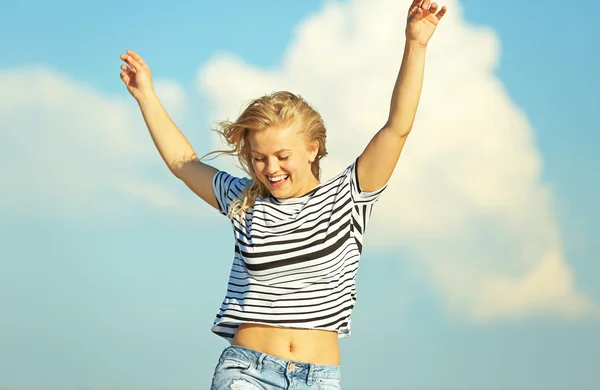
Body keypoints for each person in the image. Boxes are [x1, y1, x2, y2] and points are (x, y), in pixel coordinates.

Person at [119, 1, 446, 388]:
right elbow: (183, 164)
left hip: (320, 378)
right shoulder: (244, 201)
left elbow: (397, 128)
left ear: (313, 148)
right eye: (259, 158)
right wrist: (146, 97)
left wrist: (416, 43)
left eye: (282, 156)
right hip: (246, 371)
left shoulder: (349, 199)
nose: (270, 168)